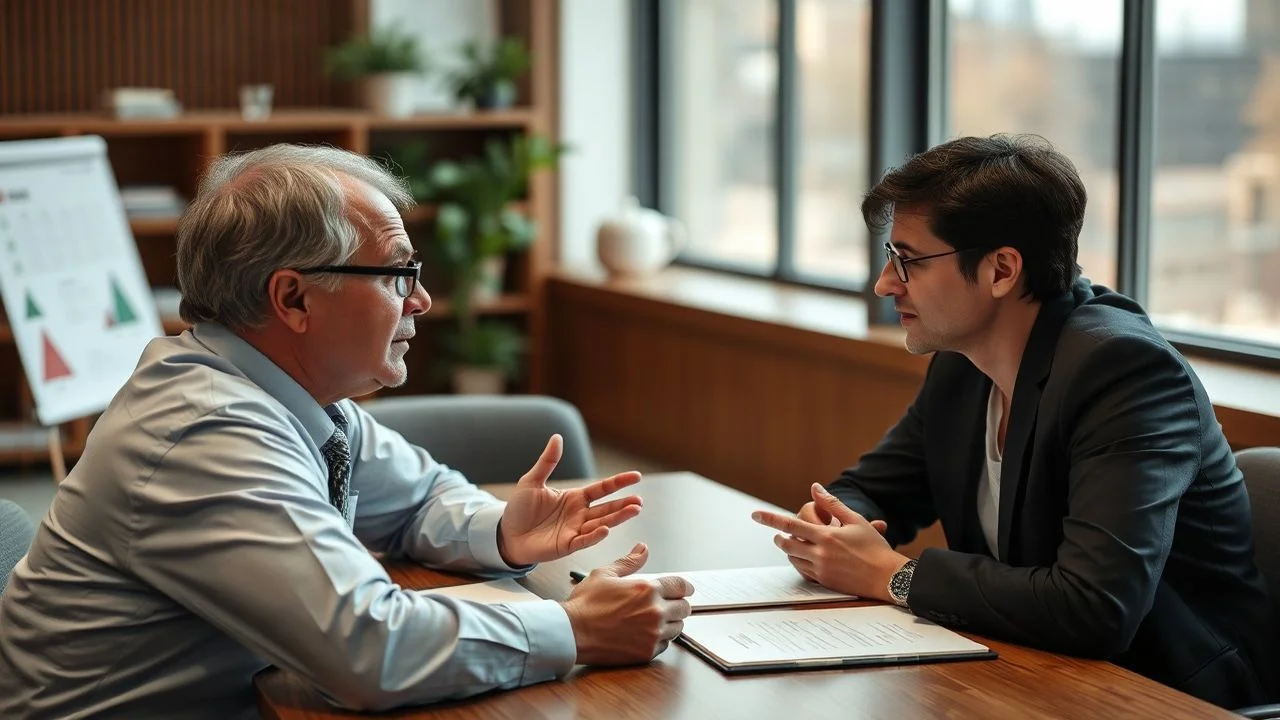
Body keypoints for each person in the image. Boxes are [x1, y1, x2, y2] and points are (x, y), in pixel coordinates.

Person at [0, 144, 694, 719]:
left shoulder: (291, 394)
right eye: (398, 273)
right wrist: (575, 628)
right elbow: (366, 650)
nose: (421, 299)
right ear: (294, 298)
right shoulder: (204, 429)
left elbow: (422, 497)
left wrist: (503, 532)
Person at [751, 134, 1276, 708]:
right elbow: (875, 490)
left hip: (1169, 693)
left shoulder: (1124, 372)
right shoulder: (963, 364)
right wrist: (832, 525)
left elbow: (1096, 606)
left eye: (909, 260)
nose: (885, 283)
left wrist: (892, 576)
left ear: (1002, 269)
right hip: (1035, 672)